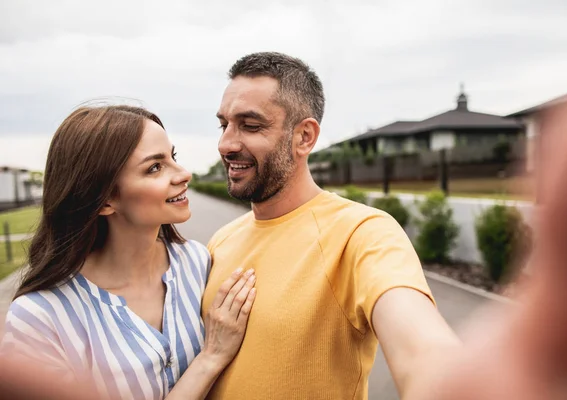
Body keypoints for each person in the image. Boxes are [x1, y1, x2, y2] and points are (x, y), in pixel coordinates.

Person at [201, 51, 459, 399]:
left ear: (304, 137)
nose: (226, 144)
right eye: (224, 124)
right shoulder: (221, 240)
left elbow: (424, 351)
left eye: (250, 125)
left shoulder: (362, 232)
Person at [0, 105, 257, 400]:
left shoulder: (198, 263)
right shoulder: (40, 318)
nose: (184, 174)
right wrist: (211, 357)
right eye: (155, 167)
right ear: (104, 200)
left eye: (172, 158)